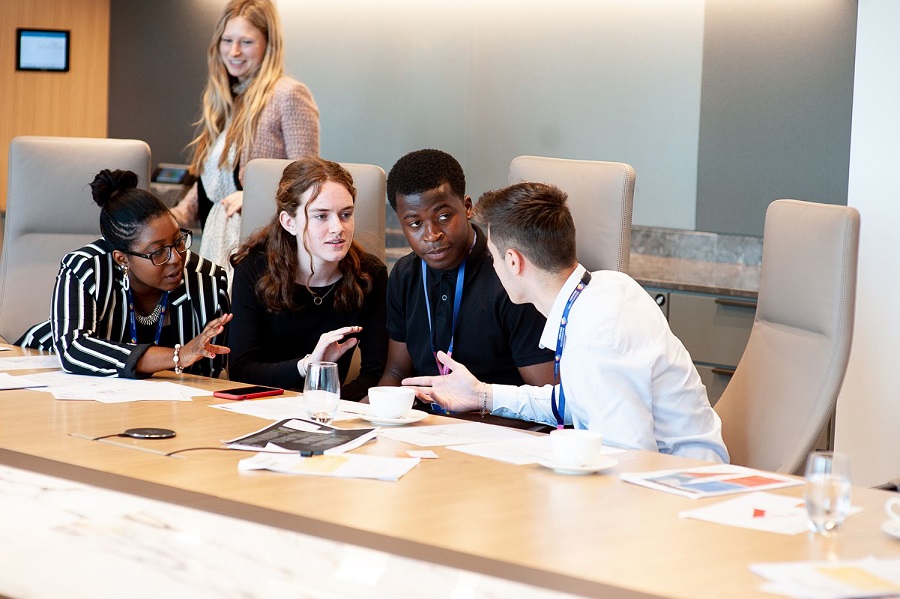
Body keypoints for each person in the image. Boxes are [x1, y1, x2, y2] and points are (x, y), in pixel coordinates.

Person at [403, 182, 729, 463]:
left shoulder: (596, 335)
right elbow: (574, 401)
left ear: (514, 261)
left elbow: (630, 458)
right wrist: (483, 395)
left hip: (675, 487)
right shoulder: (605, 287)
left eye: (493, 256)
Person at [379, 149, 554, 406]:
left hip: (497, 429)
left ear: (467, 208)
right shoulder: (405, 275)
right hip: (422, 427)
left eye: (443, 216)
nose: (431, 234)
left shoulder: (511, 278)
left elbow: (547, 397)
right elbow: (395, 373)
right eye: (415, 223)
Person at [18, 169, 232, 378]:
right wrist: (179, 356)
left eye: (178, 241)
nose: (176, 258)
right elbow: (74, 349)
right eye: (157, 252)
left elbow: (208, 372)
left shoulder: (208, 281)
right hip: (38, 371)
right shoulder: (85, 269)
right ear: (122, 258)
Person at [171, 0, 319, 277]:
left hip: (260, 251)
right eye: (227, 40)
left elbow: (308, 180)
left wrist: (256, 197)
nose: (234, 51)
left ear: (268, 44)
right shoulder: (229, 98)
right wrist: (171, 217)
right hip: (216, 244)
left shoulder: (289, 94)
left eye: (246, 42)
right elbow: (211, 186)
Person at [228, 157, 388, 400]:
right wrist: (308, 365)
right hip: (262, 407)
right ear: (289, 222)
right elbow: (241, 371)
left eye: (346, 214)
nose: (338, 228)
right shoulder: (254, 269)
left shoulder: (369, 274)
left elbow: (375, 374)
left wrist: (326, 407)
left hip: (332, 412)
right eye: (321, 216)